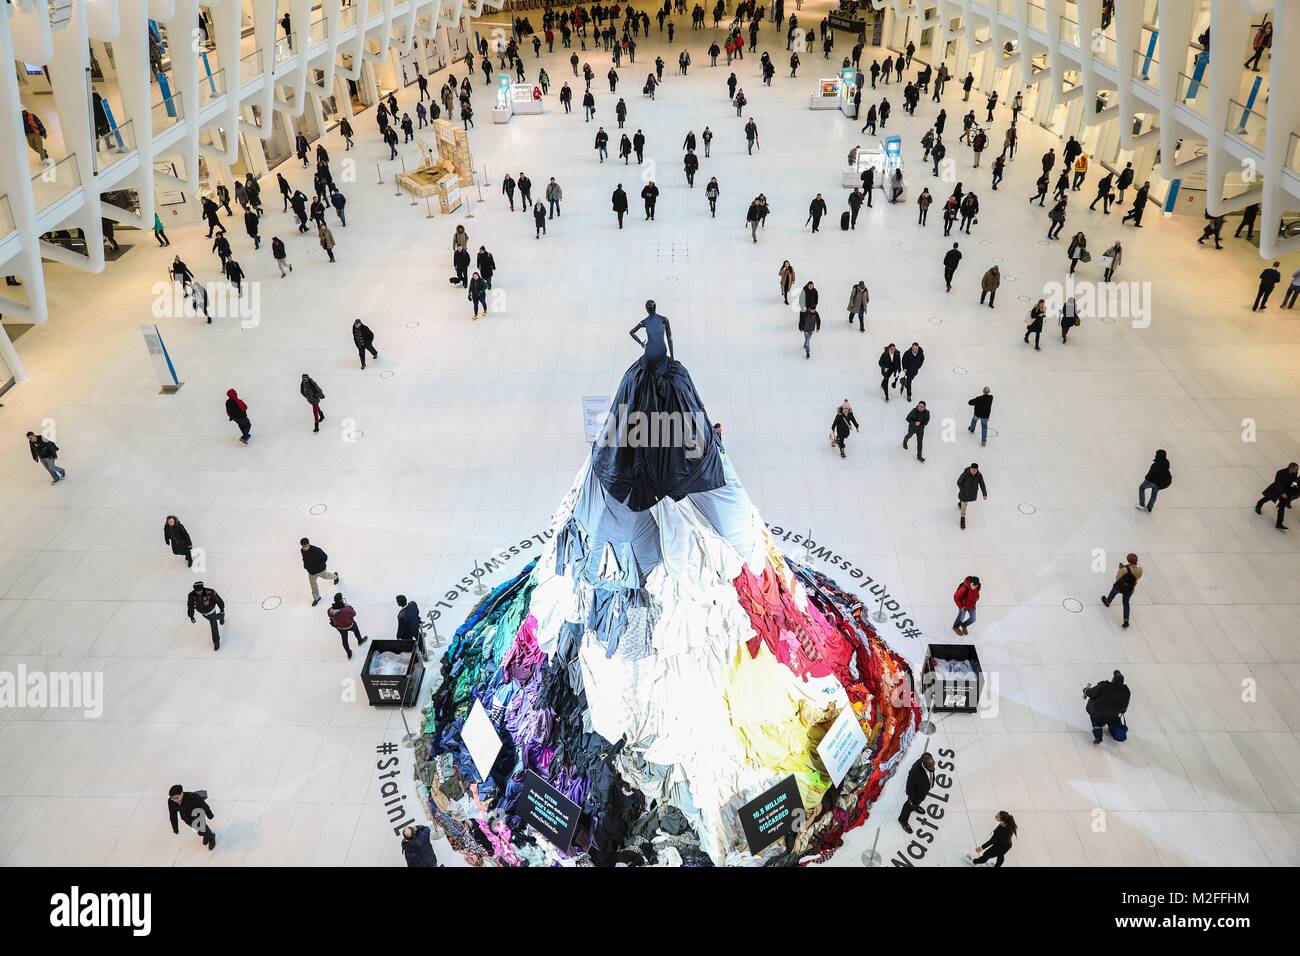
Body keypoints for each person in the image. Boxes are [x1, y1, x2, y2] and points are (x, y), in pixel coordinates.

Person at [1084, 671, 1131, 744]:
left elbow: (1091, 693)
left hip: (1098, 712)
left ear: (1113, 680)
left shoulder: (1104, 686)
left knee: (1095, 719)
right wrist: (1122, 711)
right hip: (1113, 714)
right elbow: (1125, 706)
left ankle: (1098, 736)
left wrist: (1085, 690)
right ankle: (1113, 730)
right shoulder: (1126, 691)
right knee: (1113, 718)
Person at [168, 785, 216, 850]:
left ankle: (211, 836)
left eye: (177, 797)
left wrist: (209, 815)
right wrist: (175, 828)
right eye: (173, 798)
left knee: (202, 829)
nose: (175, 800)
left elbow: (204, 806)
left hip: (198, 815)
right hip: (187, 819)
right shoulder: (171, 801)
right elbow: (173, 815)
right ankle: (206, 835)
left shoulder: (192, 797)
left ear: (182, 793)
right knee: (199, 830)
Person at [1101, 554, 1142, 628]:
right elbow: (1137, 578)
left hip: (1120, 586)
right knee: (1126, 603)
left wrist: (1120, 569)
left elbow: (1117, 577)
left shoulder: (1124, 569)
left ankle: (1107, 602)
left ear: (1128, 560)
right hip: (1130, 589)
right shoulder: (1140, 570)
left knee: (1113, 593)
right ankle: (1126, 620)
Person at [897, 752, 934, 833]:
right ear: (924, 764)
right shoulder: (915, 772)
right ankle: (902, 820)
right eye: (930, 767)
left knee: (916, 803)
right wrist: (911, 799)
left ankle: (915, 806)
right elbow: (909, 787)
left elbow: (930, 772)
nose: (932, 769)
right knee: (909, 805)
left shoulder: (927, 762)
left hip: (922, 791)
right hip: (915, 794)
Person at [1256, 462, 1299, 530]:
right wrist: (1282, 493)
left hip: (1285, 492)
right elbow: (1277, 483)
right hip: (1277, 490)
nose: (1297, 471)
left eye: (1297, 469)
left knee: (1281, 508)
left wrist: (1294, 486)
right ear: (1290, 468)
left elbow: (1294, 481)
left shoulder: (1295, 473)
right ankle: (1258, 505)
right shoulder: (1280, 472)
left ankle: (1279, 523)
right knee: (1267, 498)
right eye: (1295, 469)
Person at [300, 537, 340, 607]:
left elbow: (325, 557)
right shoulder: (302, 550)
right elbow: (304, 558)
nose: (305, 548)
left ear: (309, 544)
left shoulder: (317, 550)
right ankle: (317, 598)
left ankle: (335, 577)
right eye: (303, 547)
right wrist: (305, 566)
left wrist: (319, 565)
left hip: (320, 570)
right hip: (311, 572)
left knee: (327, 576)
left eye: (306, 546)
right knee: (313, 585)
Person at [187, 580, 226, 650]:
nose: (199, 592)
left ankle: (216, 641)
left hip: (211, 611)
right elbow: (190, 605)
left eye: (200, 590)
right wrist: (191, 616)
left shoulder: (210, 592)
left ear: (203, 588)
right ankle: (221, 616)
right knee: (211, 619)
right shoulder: (191, 595)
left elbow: (218, 600)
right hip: (203, 613)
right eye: (197, 591)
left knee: (213, 625)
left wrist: (222, 609)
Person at [327, 592, 367, 659]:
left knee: (344, 640)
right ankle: (360, 641)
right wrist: (348, 606)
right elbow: (354, 614)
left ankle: (349, 653)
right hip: (349, 625)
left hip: (339, 627)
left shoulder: (330, 610)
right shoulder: (345, 609)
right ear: (341, 600)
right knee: (356, 630)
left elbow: (330, 616)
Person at [957, 463, 987, 530]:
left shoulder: (979, 475)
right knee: (964, 507)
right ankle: (962, 519)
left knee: (964, 502)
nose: (973, 471)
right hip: (964, 493)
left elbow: (982, 484)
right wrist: (963, 490)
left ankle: (960, 503)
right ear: (970, 468)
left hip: (972, 494)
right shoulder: (965, 474)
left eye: (975, 470)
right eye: (972, 470)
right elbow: (959, 482)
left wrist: (984, 493)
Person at [798, 282, 820, 358]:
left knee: (810, 317)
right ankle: (807, 347)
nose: (811, 287)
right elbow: (801, 299)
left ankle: (806, 343)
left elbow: (816, 299)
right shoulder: (804, 291)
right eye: (810, 286)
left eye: (812, 286)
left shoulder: (815, 291)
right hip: (805, 307)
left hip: (812, 307)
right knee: (803, 317)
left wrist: (815, 305)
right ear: (808, 286)